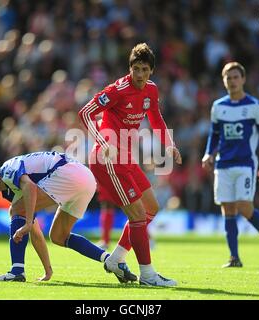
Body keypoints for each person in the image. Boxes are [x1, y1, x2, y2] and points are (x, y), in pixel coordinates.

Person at [79, 43, 182, 286]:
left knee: (151, 208)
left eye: (144, 69)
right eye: (135, 68)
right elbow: (85, 113)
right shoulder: (118, 89)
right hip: (108, 159)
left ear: (151, 71)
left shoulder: (152, 91)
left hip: (126, 158)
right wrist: (102, 141)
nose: (139, 74)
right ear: (130, 68)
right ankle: (148, 275)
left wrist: (169, 144)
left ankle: (116, 259)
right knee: (137, 215)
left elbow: (156, 118)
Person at [0, 151, 110, 281]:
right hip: (86, 179)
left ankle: (17, 271)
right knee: (59, 236)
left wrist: (28, 222)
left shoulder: (7, 170)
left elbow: (30, 187)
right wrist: (48, 270)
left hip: (69, 172)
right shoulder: (12, 189)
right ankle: (111, 260)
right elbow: (35, 231)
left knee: (15, 210)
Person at [202, 62, 259, 268]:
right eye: (229, 77)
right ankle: (234, 257)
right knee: (227, 208)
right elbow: (214, 134)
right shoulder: (218, 106)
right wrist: (208, 154)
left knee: (244, 206)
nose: (232, 81)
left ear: (243, 79)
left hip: (246, 163)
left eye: (236, 77)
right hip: (223, 164)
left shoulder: (255, 106)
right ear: (224, 80)